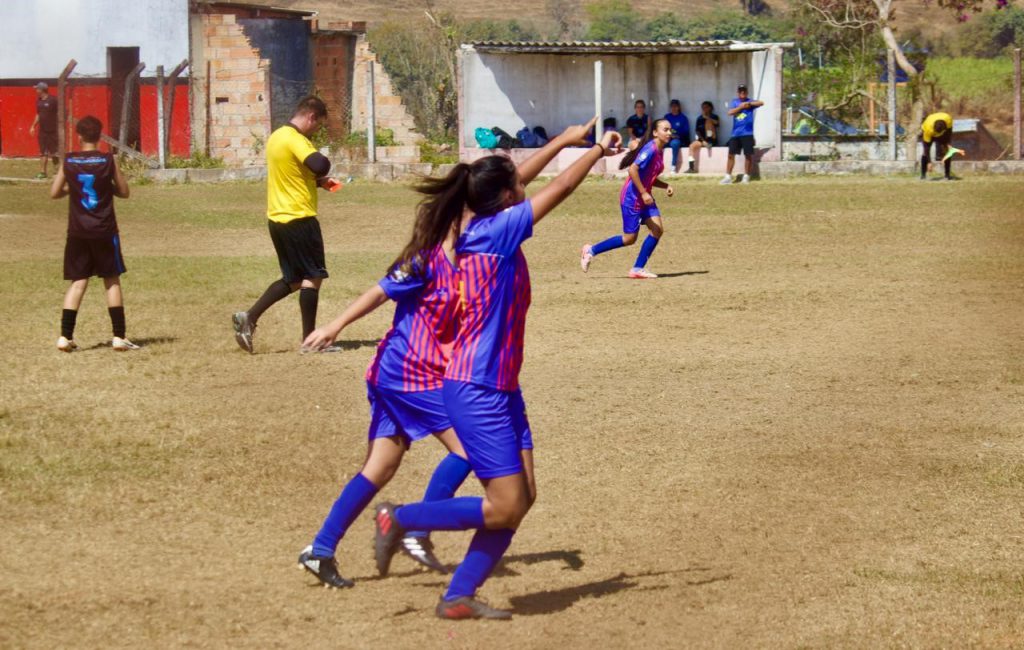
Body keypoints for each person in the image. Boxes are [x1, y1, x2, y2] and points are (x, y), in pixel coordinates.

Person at [371, 118, 622, 620]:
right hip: (476, 386)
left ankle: (458, 595)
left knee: (521, 497)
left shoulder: (483, 223)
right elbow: (562, 186)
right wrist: (595, 153)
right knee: (504, 504)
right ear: (507, 197)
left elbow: (523, 179)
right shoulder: (499, 232)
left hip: (503, 387)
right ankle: (400, 519)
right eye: (515, 184)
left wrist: (566, 141)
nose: (522, 185)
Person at [296, 175, 476, 587]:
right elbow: (378, 293)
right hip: (406, 372)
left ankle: (319, 550)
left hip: (410, 373)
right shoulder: (424, 260)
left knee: (380, 468)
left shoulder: (467, 265)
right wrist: (334, 326)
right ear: (454, 218)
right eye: (473, 214)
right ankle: (417, 531)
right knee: (468, 450)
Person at [232, 96, 341, 354]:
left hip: (277, 219)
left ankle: (249, 317)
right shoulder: (296, 139)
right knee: (313, 276)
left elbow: (291, 175)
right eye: (318, 126)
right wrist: (321, 165)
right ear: (311, 116)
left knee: (293, 279)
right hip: (299, 218)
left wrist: (318, 183)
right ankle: (311, 341)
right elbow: (320, 164)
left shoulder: (276, 137)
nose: (316, 131)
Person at [50, 115, 140, 352]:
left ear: (79, 136)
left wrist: (73, 188)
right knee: (111, 280)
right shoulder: (107, 159)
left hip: (78, 231)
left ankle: (64, 336)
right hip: (104, 229)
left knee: (78, 282)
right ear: (99, 136)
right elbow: (124, 191)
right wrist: (107, 187)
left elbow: (54, 192)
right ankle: (119, 336)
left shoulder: (68, 160)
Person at [579, 119, 674, 279]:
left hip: (645, 197)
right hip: (633, 198)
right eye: (665, 129)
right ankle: (591, 250)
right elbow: (633, 170)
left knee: (657, 230)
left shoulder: (660, 151)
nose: (669, 133)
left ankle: (637, 268)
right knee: (630, 238)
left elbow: (649, 177)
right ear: (655, 133)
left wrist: (665, 186)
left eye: (670, 130)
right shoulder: (650, 150)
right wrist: (644, 193)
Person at [721, 84, 763, 185]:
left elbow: (761, 102)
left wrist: (750, 104)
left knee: (748, 155)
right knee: (731, 155)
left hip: (747, 133)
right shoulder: (735, 102)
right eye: (740, 91)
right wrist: (741, 107)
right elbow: (730, 112)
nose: (742, 93)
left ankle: (746, 176)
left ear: (746, 92)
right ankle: (728, 177)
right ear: (738, 93)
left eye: (744, 91)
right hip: (735, 134)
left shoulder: (750, 102)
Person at [29, 82, 59, 179]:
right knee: (43, 152)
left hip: (53, 131)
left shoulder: (53, 100)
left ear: (42, 90)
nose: (36, 90)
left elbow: (60, 112)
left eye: (37, 89)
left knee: (55, 152)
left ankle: (57, 171)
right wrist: (33, 126)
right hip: (43, 131)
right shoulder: (39, 101)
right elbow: (38, 114)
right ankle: (43, 173)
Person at [920, 111, 955, 181]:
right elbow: (926, 148)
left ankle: (947, 176)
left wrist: (948, 143)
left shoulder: (948, 119)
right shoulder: (928, 129)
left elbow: (949, 131)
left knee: (947, 152)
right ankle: (923, 176)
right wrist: (929, 162)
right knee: (925, 153)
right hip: (929, 132)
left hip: (943, 133)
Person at [686, 101, 719, 174]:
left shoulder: (714, 116)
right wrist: (702, 141)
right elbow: (697, 131)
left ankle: (709, 142)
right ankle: (691, 168)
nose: (704, 109)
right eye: (703, 107)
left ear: (710, 108)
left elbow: (717, 123)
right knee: (691, 146)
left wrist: (707, 118)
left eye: (706, 107)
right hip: (702, 140)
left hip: (711, 139)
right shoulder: (699, 118)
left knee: (708, 122)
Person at [663, 99, 691, 175]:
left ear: (679, 107)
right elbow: (664, 128)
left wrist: (674, 134)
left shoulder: (683, 118)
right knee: (656, 144)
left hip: (678, 139)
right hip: (667, 138)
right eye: (672, 106)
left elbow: (685, 131)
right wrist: (671, 133)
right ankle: (656, 166)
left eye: (675, 106)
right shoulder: (667, 117)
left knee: (675, 144)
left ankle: (673, 167)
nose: (674, 108)